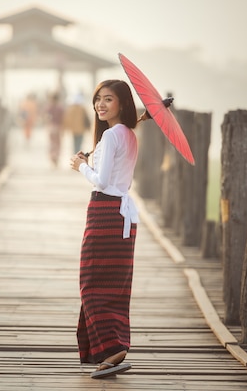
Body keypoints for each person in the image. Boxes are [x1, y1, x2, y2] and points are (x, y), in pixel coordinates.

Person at [70, 79, 146, 379]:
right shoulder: (128, 134)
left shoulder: (114, 135)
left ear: (123, 104)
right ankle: (111, 346)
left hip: (104, 212)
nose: (101, 104)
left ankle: (112, 347)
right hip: (122, 215)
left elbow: (101, 181)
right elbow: (114, 171)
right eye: (98, 99)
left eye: (109, 99)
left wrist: (81, 167)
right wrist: (93, 158)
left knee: (91, 281)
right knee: (113, 283)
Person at [45, 92, 64, 167]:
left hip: (51, 127)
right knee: (58, 143)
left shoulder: (49, 108)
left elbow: (47, 118)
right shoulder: (60, 108)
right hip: (58, 127)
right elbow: (63, 118)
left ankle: (53, 157)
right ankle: (56, 157)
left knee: (52, 143)